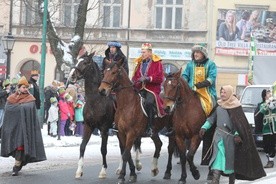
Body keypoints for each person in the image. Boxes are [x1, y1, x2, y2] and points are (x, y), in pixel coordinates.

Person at [199, 85, 266, 184]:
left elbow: (239, 124)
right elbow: (211, 119)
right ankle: (215, 180)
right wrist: (204, 127)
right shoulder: (218, 105)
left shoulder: (236, 107)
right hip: (218, 138)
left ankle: (232, 180)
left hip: (230, 140)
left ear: (230, 93)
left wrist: (237, 134)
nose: (222, 94)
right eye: (221, 92)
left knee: (230, 164)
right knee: (217, 159)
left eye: (224, 92)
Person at [0, 76, 46, 176]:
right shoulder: (11, 98)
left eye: (27, 87)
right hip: (15, 127)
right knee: (16, 146)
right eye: (24, 87)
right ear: (19, 87)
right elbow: (9, 109)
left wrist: (21, 108)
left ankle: (16, 166)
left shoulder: (30, 99)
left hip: (26, 127)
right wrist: (19, 108)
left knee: (21, 146)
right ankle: (19, 163)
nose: (26, 89)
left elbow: (31, 111)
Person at [132, 43, 165, 136]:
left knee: (149, 103)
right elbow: (136, 76)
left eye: (144, 52)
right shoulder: (139, 63)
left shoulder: (157, 63)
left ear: (150, 53)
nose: (142, 54)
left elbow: (160, 77)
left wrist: (148, 78)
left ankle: (150, 126)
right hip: (139, 88)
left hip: (152, 89)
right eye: (141, 52)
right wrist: (134, 80)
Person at [182, 44, 217, 117]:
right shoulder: (190, 64)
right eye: (194, 52)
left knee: (213, 107)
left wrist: (202, 84)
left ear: (203, 53)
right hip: (190, 91)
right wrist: (184, 82)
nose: (195, 54)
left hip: (207, 92)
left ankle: (211, 123)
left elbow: (212, 77)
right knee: (176, 104)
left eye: (197, 52)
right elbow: (185, 75)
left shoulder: (211, 64)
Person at [259, 89, 276, 168]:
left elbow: (273, 108)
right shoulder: (262, 104)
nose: (269, 94)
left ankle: (271, 161)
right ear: (264, 95)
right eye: (267, 93)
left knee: (272, 144)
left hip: (274, 127)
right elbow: (262, 111)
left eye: (270, 93)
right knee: (265, 145)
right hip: (266, 128)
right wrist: (266, 103)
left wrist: (271, 102)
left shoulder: (274, 102)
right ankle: (268, 158)